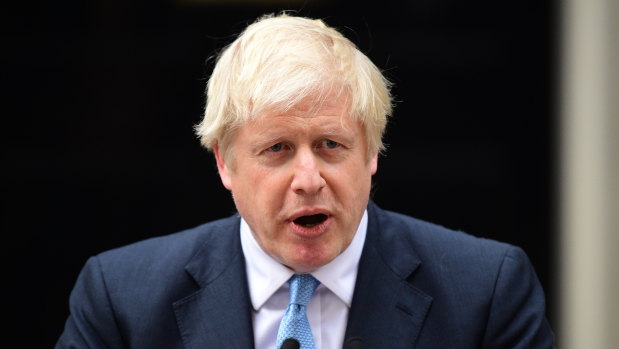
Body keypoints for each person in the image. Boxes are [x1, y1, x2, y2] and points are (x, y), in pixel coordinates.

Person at [56, 13, 554, 349]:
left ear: (373, 153)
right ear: (225, 164)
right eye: (277, 149)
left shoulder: (488, 291)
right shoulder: (121, 299)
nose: (308, 179)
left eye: (330, 145)